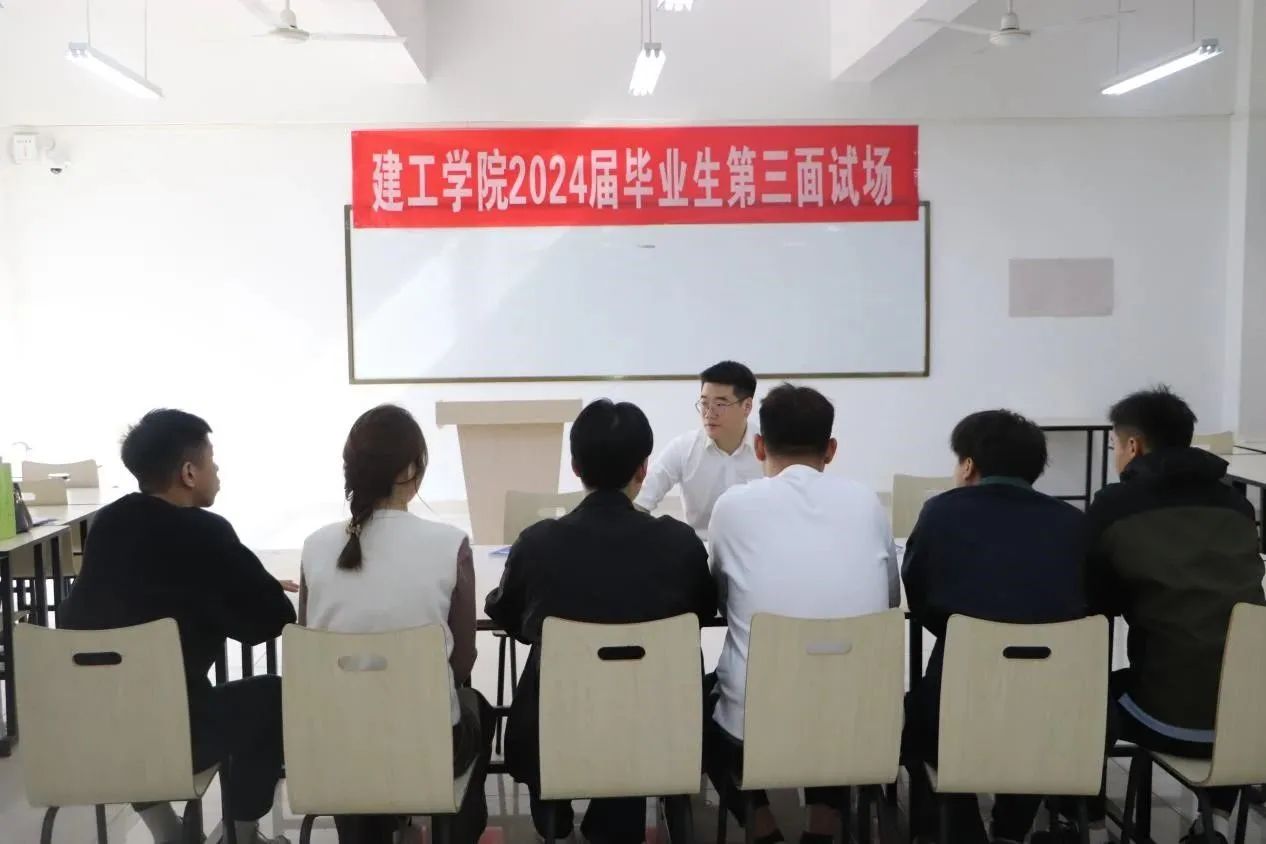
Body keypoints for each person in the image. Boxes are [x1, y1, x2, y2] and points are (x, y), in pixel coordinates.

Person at [59, 410, 296, 844]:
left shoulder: (107, 524)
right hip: (173, 735)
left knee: (134, 695)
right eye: (212, 461)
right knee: (275, 696)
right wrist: (244, 586)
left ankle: (168, 832)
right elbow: (270, 619)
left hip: (91, 729)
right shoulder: (205, 531)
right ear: (189, 472)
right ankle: (241, 835)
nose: (217, 470)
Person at [485, 398, 716, 844]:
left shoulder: (539, 544)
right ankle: (616, 818)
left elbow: (509, 617)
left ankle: (554, 806)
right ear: (643, 469)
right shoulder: (680, 544)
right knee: (631, 696)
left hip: (555, 729)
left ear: (575, 466)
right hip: (659, 727)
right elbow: (703, 613)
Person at [705, 384, 900, 844]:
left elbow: (721, 598)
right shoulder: (865, 502)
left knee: (695, 713)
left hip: (758, 722)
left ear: (759, 446)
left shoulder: (732, 506)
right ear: (830, 450)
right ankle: (822, 829)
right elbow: (892, 599)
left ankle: (763, 829)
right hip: (860, 718)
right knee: (831, 682)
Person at [1079, 387, 1265, 844]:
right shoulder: (1236, 504)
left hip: (1165, 718)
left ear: (1133, 446)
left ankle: (1091, 825)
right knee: (1225, 663)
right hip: (1252, 722)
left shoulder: (1115, 505)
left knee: (1079, 697)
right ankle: (1216, 822)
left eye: (1114, 445)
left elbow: (1093, 602)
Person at [299, 404, 493, 844]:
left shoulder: (315, 547)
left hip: (336, 749)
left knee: (356, 728)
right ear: (410, 470)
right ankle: (455, 829)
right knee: (475, 706)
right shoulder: (450, 544)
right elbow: (462, 662)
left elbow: (311, 654)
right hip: (426, 747)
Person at [900, 410, 1088, 844]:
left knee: (916, 720)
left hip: (959, 707)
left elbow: (919, 595)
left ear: (968, 465)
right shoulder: (1073, 522)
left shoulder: (941, 513)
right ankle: (1011, 831)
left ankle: (961, 828)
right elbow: (1088, 605)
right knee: (1032, 717)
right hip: (1056, 712)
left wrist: (969, 632)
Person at [634, 360, 763, 537]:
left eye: (720, 404)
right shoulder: (684, 448)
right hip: (700, 549)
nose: (709, 414)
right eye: (704, 403)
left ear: (747, 407)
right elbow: (641, 501)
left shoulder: (768, 449)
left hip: (755, 547)